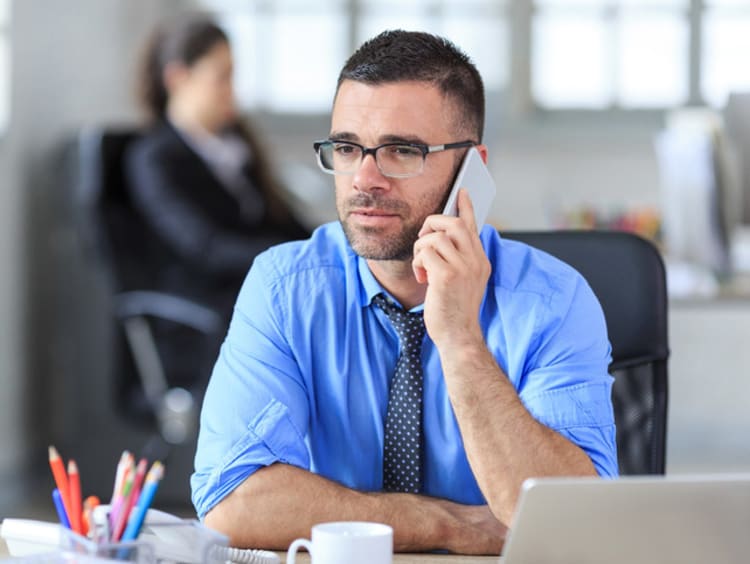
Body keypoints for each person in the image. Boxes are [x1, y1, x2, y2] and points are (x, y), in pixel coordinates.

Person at [192, 30, 618, 555]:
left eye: (401, 151)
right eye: (346, 148)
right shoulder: (284, 288)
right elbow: (231, 502)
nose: (364, 179)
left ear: (473, 168)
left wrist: (460, 339)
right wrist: (444, 525)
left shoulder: (554, 301)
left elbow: (577, 523)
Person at [124, 18, 308, 390]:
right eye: (221, 77)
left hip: (250, 295)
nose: (231, 91)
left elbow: (284, 222)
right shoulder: (154, 157)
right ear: (178, 78)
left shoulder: (235, 147)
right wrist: (289, 258)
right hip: (203, 315)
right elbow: (204, 248)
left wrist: (334, 246)